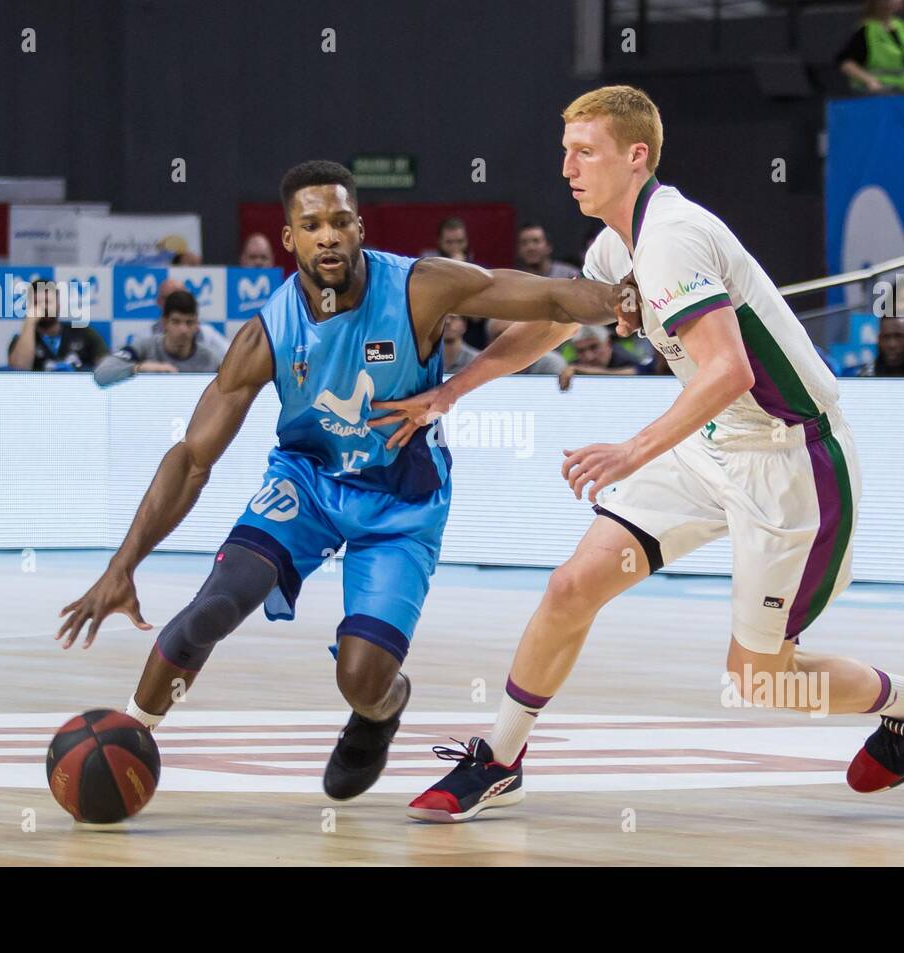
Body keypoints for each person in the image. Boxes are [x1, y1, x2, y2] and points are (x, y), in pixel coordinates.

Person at [374, 85, 904, 823]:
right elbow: (556, 318)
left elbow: (729, 371)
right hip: (712, 445)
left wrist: (631, 450)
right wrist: (452, 390)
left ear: (635, 156)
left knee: (761, 681)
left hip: (792, 465)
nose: (567, 168)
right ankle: (499, 760)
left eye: (584, 152)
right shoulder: (616, 242)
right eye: (565, 151)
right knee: (570, 587)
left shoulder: (674, 236)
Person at [55, 160, 622, 805]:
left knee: (363, 678)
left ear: (359, 228)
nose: (327, 235)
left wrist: (617, 301)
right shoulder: (266, 335)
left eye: (338, 221)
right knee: (214, 606)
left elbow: (544, 296)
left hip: (403, 499)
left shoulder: (419, 287)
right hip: (308, 486)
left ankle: (382, 711)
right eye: (311, 224)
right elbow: (191, 457)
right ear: (290, 238)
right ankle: (134, 732)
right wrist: (124, 563)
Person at [94, 290, 225, 387]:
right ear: (164, 323)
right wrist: (139, 368)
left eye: (189, 322)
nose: (183, 329)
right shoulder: (143, 348)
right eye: (176, 322)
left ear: (197, 325)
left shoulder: (211, 359)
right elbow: (101, 374)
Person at [835, 0, 904, 94]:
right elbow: (846, 63)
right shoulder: (867, 30)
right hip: (877, 96)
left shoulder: (900, 25)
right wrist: (869, 80)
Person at [7, 279, 109, 371]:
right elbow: (18, 371)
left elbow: (107, 369)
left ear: (58, 304)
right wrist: (29, 322)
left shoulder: (84, 333)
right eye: (37, 303)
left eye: (48, 302)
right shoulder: (22, 340)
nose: (43, 307)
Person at [153, 278, 232, 355]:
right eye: (170, 298)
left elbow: (230, 353)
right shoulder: (148, 335)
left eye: (182, 297)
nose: (183, 330)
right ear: (159, 302)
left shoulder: (206, 333)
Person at [515, 222, 580, 279]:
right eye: (524, 243)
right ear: (518, 250)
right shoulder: (515, 281)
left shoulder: (570, 275)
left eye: (536, 241)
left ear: (549, 246)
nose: (530, 248)